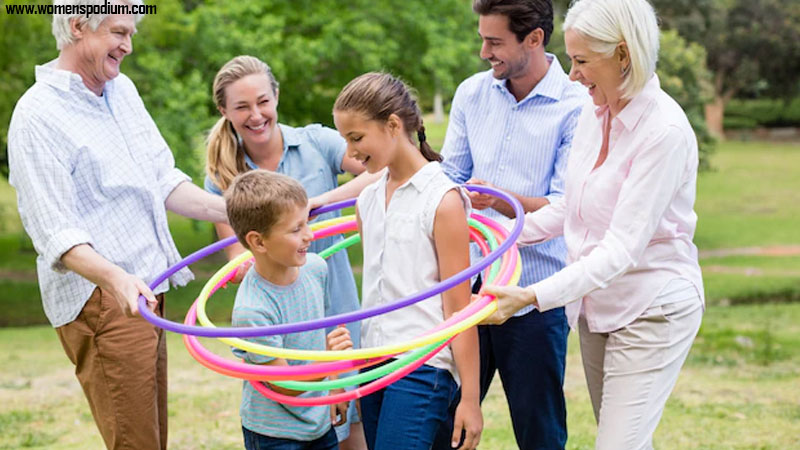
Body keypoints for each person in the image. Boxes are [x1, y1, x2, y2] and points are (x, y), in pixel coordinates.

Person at [480, 0, 705, 448]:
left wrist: (531, 295)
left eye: (582, 61)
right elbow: (572, 208)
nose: (572, 74)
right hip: (599, 309)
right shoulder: (594, 111)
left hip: (653, 307)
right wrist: (499, 240)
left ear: (624, 55)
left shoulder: (663, 132)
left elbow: (621, 248)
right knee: (624, 439)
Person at [6, 1, 228, 448]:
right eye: (118, 33)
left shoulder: (121, 91)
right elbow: (56, 233)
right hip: (105, 297)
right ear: (77, 27)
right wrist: (116, 279)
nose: (128, 46)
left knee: (151, 437)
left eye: (131, 35)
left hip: (148, 287)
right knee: (136, 442)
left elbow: (163, 179)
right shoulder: (36, 116)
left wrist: (236, 211)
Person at [433, 0, 587, 448]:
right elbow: (450, 179)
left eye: (495, 41)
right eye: (483, 38)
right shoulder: (471, 93)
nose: (484, 52)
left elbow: (565, 208)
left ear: (534, 39)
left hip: (534, 300)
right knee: (446, 426)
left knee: (539, 433)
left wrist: (499, 201)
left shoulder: (576, 106)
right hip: (468, 289)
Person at [204, 55, 378, 448]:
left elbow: (380, 169)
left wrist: (316, 204)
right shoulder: (222, 175)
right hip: (284, 317)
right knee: (299, 413)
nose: (256, 114)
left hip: (336, 309)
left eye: (263, 101)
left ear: (276, 96)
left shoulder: (317, 141)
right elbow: (238, 259)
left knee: (354, 427)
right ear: (224, 111)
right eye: (242, 106)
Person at [332, 72, 483, 450]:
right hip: (373, 365)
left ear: (393, 125)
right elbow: (379, 294)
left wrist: (470, 398)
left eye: (356, 138)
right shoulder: (366, 201)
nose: (350, 154)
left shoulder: (442, 200)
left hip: (423, 367)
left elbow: (459, 309)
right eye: (345, 140)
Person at [225, 169, 354, 450]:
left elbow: (324, 333)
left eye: (306, 223)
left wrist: (334, 385)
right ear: (258, 242)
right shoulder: (253, 309)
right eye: (296, 229)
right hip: (274, 433)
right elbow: (283, 384)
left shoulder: (316, 268)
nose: (309, 235)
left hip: (319, 419)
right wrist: (330, 363)